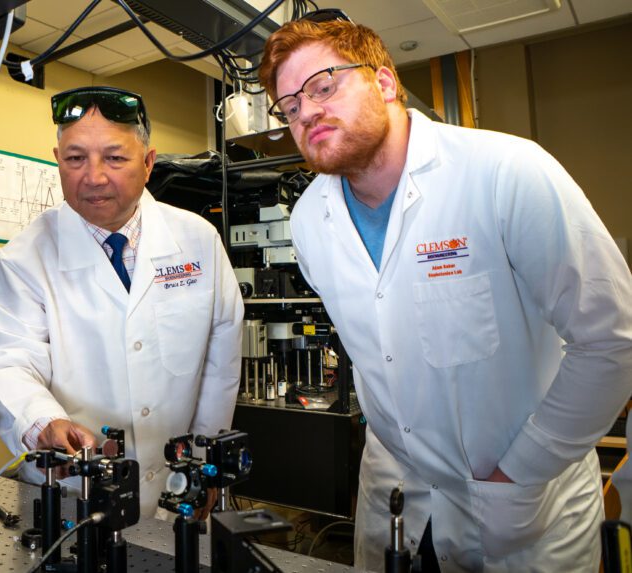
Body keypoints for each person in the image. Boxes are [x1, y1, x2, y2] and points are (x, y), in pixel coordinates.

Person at [258, 13, 632, 572]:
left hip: (524, 501)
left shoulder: (505, 171)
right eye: (290, 105)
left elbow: (613, 340)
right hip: (398, 487)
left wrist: (518, 473)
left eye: (324, 85)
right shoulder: (311, 217)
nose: (306, 111)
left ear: (384, 82)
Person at [0, 86, 243, 516]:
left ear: (149, 163)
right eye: (75, 158)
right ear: (57, 160)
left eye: (115, 158)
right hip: (70, 488)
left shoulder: (197, 241)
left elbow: (220, 363)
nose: (93, 176)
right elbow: (8, 358)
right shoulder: (26, 256)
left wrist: (204, 463)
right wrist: (43, 422)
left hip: (174, 484)